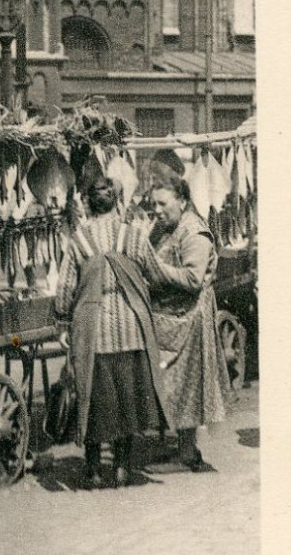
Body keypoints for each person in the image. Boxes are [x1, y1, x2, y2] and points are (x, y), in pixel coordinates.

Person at [55, 176, 170, 487]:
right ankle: (120, 469)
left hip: (93, 330)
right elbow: (156, 273)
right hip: (130, 328)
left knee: (94, 398)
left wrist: (63, 323)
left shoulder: (79, 239)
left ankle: (92, 470)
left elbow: (65, 286)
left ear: (89, 205)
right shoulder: (131, 236)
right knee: (127, 400)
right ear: (118, 203)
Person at [142, 165, 230, 471]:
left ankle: (188, 450)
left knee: (185, 385)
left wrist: (153, 268)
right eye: (154, 204)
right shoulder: (163, 227)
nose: (157, 211)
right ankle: (177, 445)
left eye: (162, 204)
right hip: (168, 314)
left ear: (181, 200)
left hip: (190, 317)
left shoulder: (195, 232)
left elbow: (193, 279)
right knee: (167, 384)